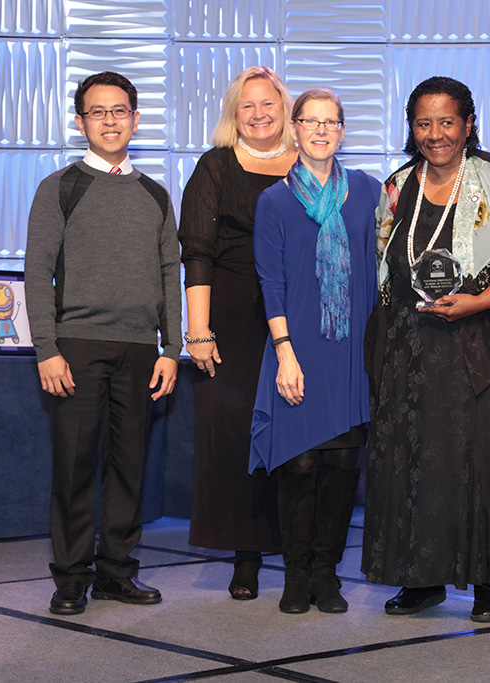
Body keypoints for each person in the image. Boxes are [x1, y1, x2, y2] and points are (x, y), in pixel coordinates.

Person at [361, 76, 490, 623]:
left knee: (487, 463)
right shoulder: (398, 184)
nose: (435, 134)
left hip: (488, 344)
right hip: (412, 345)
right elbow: (385, 264)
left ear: (468, 124)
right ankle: (421, 578)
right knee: (415, 459)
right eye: (423, 123)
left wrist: (475, 303)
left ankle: (489, 585)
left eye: (447, 121)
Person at [24, 71, 182, 615]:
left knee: (128, 465)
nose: (110, 120)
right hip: (76, 346)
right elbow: (37, 271)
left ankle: (117, 571)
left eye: (120, 111)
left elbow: (169, 274)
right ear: (80, 121)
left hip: (141, 349)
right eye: (98, 112)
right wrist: (46, 349)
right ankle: (71, 578)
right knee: (73, 465)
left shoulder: (155, 195)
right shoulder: (60, 188)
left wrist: (171, 348)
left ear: (136, 120)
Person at [249, 88, 380, 615]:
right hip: (297, 347)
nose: (321, 130)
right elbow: (270, 282)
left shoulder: (370, 192)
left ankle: (327, 574)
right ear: (295, 129)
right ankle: (295, 574)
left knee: (344, 465)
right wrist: (284, 353)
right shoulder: (274, 201)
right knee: (299, 465)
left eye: (332, 122)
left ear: (342, 131)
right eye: (311, 121)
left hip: (352, 353)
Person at [178, 66, 298, 599]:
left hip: (299, 316)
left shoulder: (314, 165)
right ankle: (245, 555)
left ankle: (300, 552)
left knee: (298, 436)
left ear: (285, 108)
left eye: (267, 102)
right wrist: (198, 331)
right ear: (234, 115)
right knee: (235, 434)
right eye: (246, 106)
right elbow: (196, 254)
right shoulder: (215, 167)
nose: (258, 113)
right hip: (229, 313)